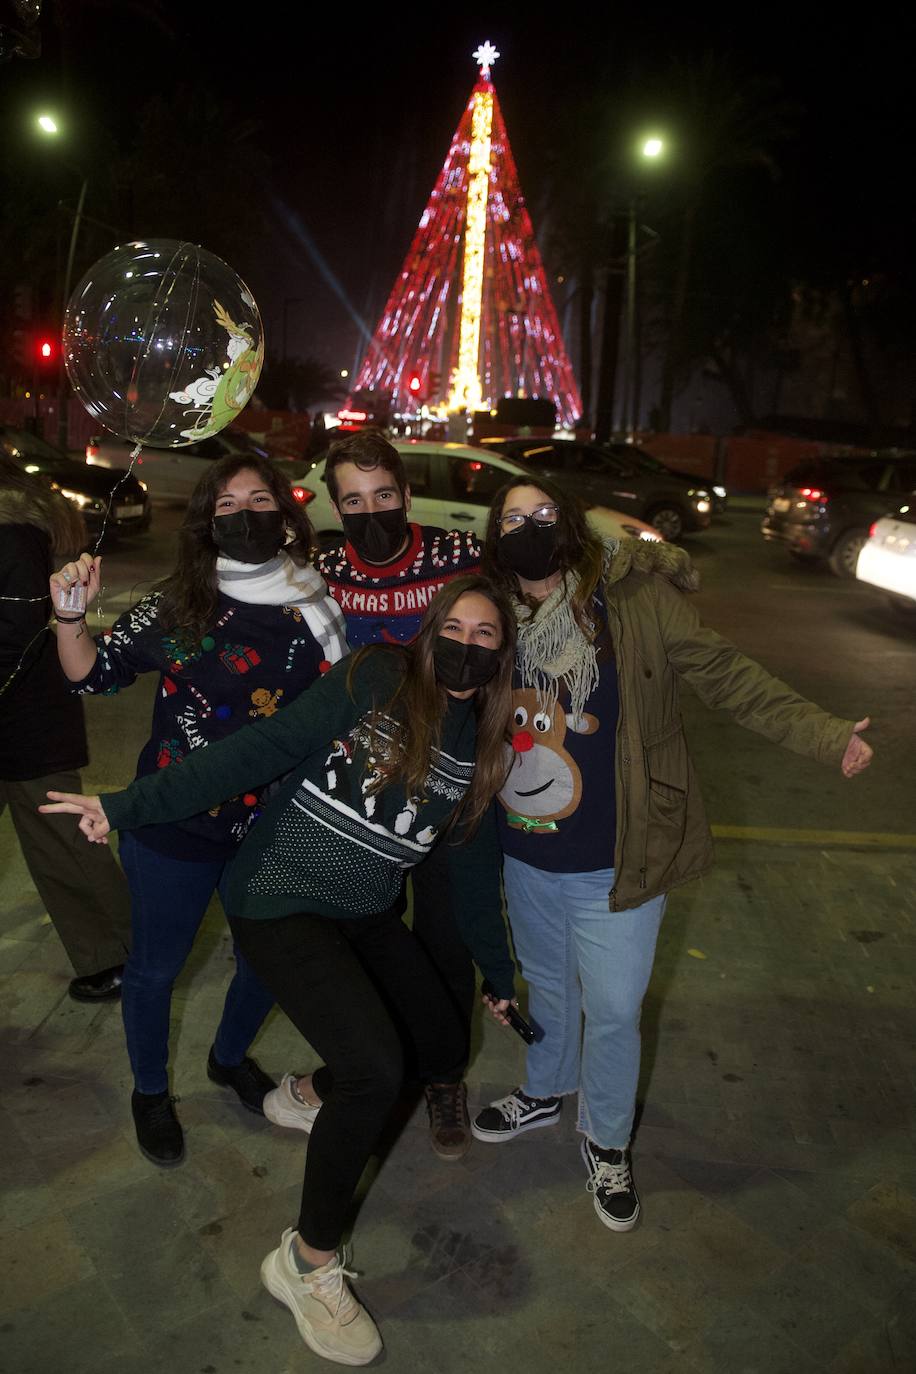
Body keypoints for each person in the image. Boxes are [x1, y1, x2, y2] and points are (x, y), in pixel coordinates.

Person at [42, 574, 519, 1368]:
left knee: (439, 1038)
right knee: (376, 1067)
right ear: (430, 630)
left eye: (486, 635)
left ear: (501, 657)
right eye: (457, 627)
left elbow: (472, 875)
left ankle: (304, 1095)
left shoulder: (480, 750)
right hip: (280, 896)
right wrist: (128, 806)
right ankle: (306, 1263)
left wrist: (499, 977)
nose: (467, 644)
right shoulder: (377, 676)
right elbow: (262, 749)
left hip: (362, 908)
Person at [472, 475, 874, 1233]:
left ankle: (607, 1138)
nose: (529, 528)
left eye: (545, 513)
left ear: (574, 522)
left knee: (616, 1012)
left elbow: (727, 677)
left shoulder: (634, 605)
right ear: (495, 537)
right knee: (549, 990)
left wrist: (826, 735)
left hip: (621, 859)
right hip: (522, 854)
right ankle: (546, 1089)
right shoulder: (490, 616)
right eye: (513, 518)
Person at [49, 453, 348, 1167]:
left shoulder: (316, 601)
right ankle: (150, 1091)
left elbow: (340, 711)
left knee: (263, 965)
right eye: (226, 504)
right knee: (155, 970)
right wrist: (69, 616)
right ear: (206, 524)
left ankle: (226, 1057)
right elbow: (92, 674)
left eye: (259, 498)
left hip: (269, 829)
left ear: (285, 509)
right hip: (171, 825)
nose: (244, 513)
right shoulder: (177, 602)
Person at [317, 429, 484, 1159]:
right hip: (365, 789)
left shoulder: (453, 558)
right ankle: (383, 1061)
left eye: (383, 495)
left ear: (408, 495)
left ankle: (444, 1075)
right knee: (369, 933)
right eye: (352, 501)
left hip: (449, 780)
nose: (371, 512)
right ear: (334, 508)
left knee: (445, 937)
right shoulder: (321, 567)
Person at [0, 454, 131, 1000]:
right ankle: (118, 953)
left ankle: (127, 955)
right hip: (23, 720)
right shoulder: (19, 530)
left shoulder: (11, 536)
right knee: (63, 846)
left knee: (66, 848)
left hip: (27, 726)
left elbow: (20, 628)